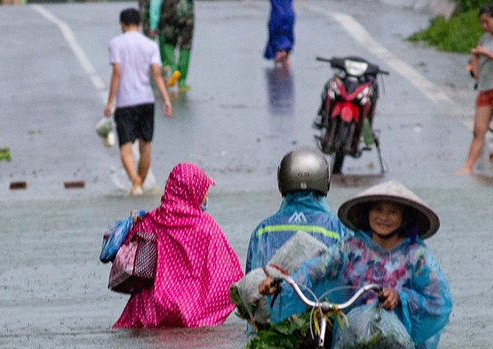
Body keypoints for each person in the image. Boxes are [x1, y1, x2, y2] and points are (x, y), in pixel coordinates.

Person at [259, 180, 452, 349]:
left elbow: (439, 304)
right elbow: (316, 269)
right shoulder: (350, 248)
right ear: (367, 213)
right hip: (353, 344)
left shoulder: (417, 256)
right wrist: (282, 284)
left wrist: (400, 298)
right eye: (378, 209)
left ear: (404, 218)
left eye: (392, 212)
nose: (384, 217)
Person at [113, 163, 244, 328]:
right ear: (192, 191)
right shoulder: (206, 226)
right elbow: (229, 275)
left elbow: (125, 257)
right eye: (203, 190)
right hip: (191, 311)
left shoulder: (150, 221)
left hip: (151, 310)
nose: (206, 194)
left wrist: (135, 223)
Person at [245, 147, 349, 274]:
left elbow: (253, 282)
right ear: (325, 181)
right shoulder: (338, 228)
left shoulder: (263, 230)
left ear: (281, 181)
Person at [104, 8, 173, 196]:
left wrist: (110, 102)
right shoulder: (150, 45)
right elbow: (157, 74)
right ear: (140, 24)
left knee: (126, 146)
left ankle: (135, 179)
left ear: (122, 25)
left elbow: (117, 72)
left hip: (125, 102)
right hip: (146, 100)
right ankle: (140, 184)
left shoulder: (115, 43)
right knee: (146, 144)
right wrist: (166, 99)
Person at [457, 4, 493, 175]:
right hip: (485, 88)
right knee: (478, 130)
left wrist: (486, 53)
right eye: (482, 23)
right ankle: (468, 166)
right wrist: (475, 57)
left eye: (487, 22)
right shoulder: (484, 39)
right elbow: (476, 74)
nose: (484, 26)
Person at [139, 0, 194, 91]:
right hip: (187, 12)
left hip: (169, 11)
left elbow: (155, 3)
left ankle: (174, 68)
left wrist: (153, 24)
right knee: (186, 45)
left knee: (167, 43)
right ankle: (182, 82)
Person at [264, 0, 295, 67]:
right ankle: (284, 55)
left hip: (278, 15)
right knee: (286, 37)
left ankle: (280, 53)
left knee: (277, 37)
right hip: (289, 15)